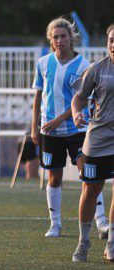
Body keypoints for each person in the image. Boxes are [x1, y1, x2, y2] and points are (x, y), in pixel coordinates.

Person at [31, 17, 108, 238]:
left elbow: (81, 99)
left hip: (77, 129)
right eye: (55, 37)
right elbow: (38, 95)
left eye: (63, 36)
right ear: (50, 40)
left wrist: (60, 119)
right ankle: (55, 224)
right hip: (50, 132)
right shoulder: (43, 63)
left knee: (89, 174)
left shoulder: (84, 66)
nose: (59, 40)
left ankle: (101, 221)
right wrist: (34, 126)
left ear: (71, 38)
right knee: (54, 177)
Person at [71, 24, 114, 263]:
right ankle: (83, 242)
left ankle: (111, 243)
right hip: (97, 138)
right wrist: (77, 112)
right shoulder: (97, 69)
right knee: (90, 191)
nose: (113, 45)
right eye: (110, 40)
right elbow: (78, 97)